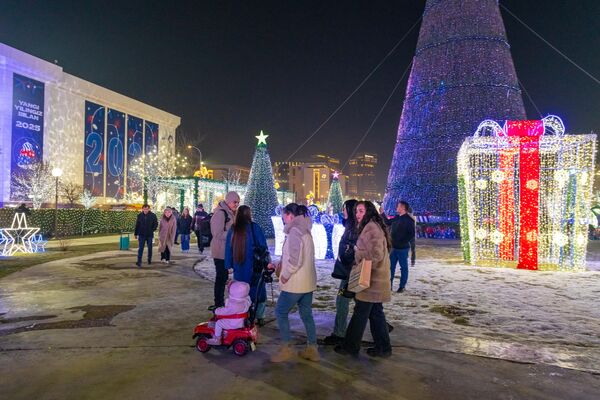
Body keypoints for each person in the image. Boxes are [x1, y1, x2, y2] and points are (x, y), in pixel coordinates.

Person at [335, 201, 393, 358]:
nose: (358, 214)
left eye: (361, 211)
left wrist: (358, 254)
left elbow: (376, 255)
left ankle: (350, 347)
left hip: (371, 280)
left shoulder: (371, 228)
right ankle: (383, 348)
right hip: (375, 279)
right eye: (356, 211)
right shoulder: (371, 227)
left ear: (369, 212)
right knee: (376, 314)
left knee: (360, 313)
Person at [269, 203, 319, 363]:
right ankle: (312, 348)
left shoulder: (295, 232)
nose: (283, 219)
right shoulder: (305, 231)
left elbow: (295, 260)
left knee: (281, 312)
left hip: (295, 283)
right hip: (307, 283)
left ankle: (286, 348)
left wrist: (285, 275)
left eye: (284, 215)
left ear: (290, 215)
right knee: (306, 314)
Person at [224, 205, 270, 326]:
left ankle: (244, 313)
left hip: (239, 266)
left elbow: (228, 248)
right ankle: (259, 315)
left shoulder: (234, 229)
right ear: (249, 214)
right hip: (255, 266)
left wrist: (228, 265)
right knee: (258, 290)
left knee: (241, 290)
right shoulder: (255, 228)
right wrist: (267, 262)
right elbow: (263, 246)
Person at [323, 199, 358, 345]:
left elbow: (351, 251)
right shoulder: (351, 226)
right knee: (363, 303)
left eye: (344, 209)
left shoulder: (354, 228)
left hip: (350, 272)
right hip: (349, 271)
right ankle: (381, 326)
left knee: (342, 302)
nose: (342, 211)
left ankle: (339, 334)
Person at [209, 191, 240, 310]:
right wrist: (233, 234)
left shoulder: (231, 213)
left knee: (224, 277)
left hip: (227, 250)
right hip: (220, 250)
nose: (236, 204)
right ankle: (218, 303)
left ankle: (221, 302)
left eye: (238, 202)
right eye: (234, 202)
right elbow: (217, 233)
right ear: (228, 201)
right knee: (221, 277)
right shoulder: (220, 213)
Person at [206, 281, 252, 345]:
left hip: (234, 323)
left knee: (219, 323)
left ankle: (217, 339)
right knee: (221, 320)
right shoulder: (246, 300)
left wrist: (216, 310)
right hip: (242, 320)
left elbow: (225, 311)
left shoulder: (234, 305)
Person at [385, 201, 416, 292]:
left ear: (403, 208)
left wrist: (402, 241)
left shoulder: (409, 220)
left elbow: (411, 234)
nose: (396, 207)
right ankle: (388, 286)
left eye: (398, 206)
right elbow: (387, 222)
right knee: (391, 267)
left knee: (403, 268)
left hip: (402, 248)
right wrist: (382, 213)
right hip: (393, 248)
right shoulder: (397, 217)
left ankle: (402, 286)